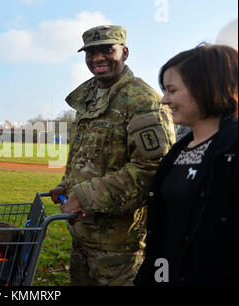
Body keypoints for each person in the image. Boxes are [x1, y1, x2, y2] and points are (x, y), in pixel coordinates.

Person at [49, 25, 175, 285]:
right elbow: (86, 157)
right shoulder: (89, 99)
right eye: (90, 52)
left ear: (125, 52)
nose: (97, 58)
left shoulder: (142, 101)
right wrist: (67, 185)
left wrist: (83, 195)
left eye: (107, 49)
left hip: (120, 250)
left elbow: (152, 171)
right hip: (82, 239)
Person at [134, 44, 238, 286]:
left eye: (171, 90)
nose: (164, 99)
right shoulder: (178, 151)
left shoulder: (233, 148)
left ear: (205, 88)